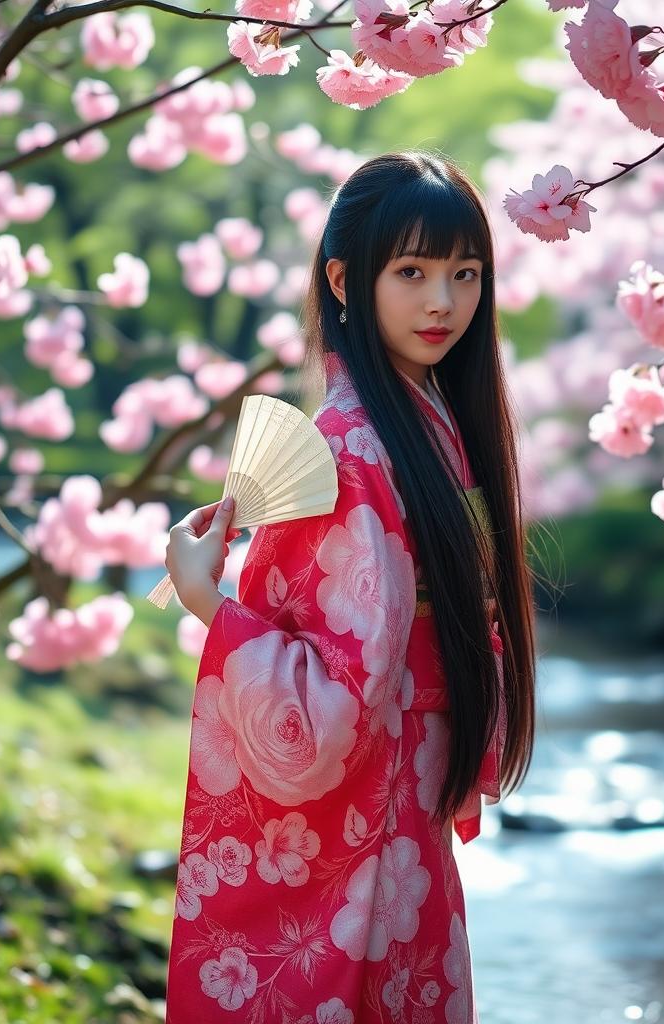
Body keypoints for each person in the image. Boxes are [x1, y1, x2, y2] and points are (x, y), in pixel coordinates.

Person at [162, 150, 537, 1023]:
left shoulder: (403, 428)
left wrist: (210, 607)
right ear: (343, 277)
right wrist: (209, 602)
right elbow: (344, 696)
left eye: (464, 273)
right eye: (411, 271)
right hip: (383, 822)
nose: (443, 301)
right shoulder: (355, 448)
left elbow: (333, 703)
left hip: (379, 818)